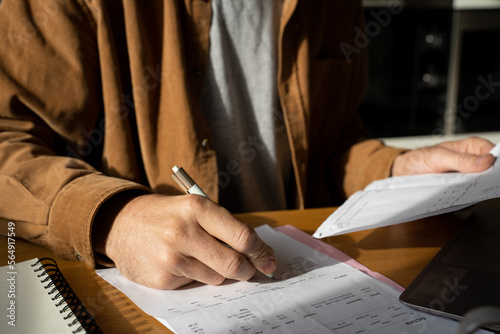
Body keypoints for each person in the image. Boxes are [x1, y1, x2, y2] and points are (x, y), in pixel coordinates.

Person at [0, 0, 495, 290]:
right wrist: (115, 219)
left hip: (300, 275)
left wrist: (392, 169)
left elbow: (330, 144)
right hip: (157, 295)